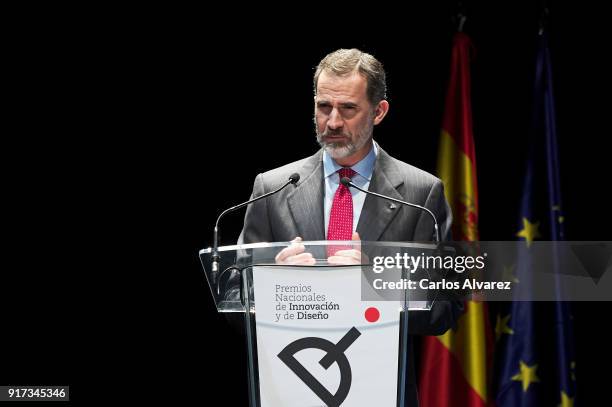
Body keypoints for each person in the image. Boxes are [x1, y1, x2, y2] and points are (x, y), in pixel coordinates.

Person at [238, 48, 462, 406]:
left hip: (382, 392)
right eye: (324, 106)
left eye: (348, 109)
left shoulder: (421, 194)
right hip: (290, 387)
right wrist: (274, 285)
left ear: (379, 111)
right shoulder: (273, 187)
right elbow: (235, 297)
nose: (333, 122)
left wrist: (373, 283)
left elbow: (444, 310)